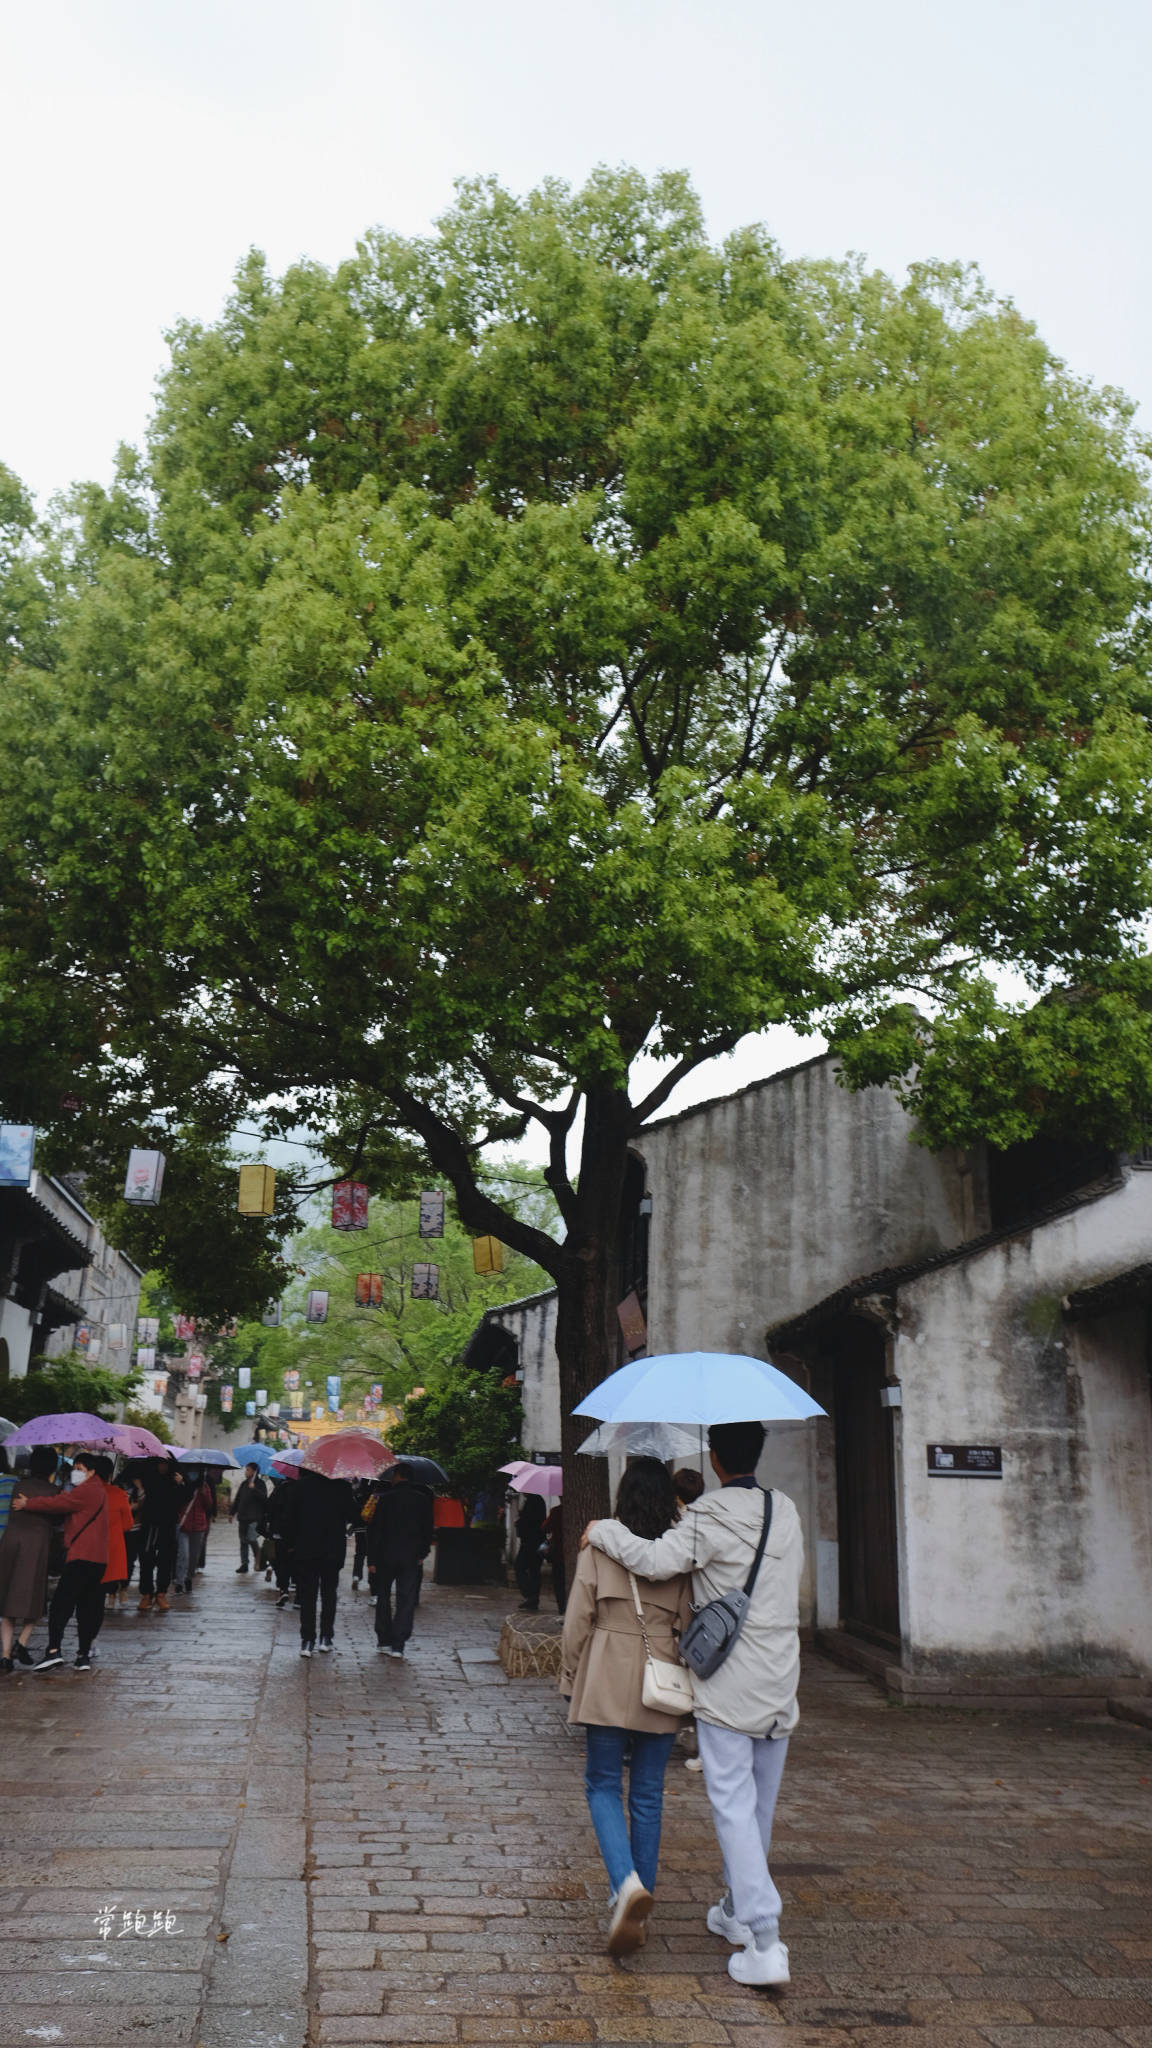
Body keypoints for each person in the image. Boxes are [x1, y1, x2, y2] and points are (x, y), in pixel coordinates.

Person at [586, 1420, 803, 1988]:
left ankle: (764, 1937)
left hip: (729, 1681)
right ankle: (735, 1910)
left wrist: (602, 1530)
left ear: (714, 1455)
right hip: (781, 1679)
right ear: (757, 1451)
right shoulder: (786, 1510)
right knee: (758, 1807)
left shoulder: (709, 1516)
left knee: (732, 1802)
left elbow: (654, 1560)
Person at [561, 1458, 693, 1957]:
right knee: (648, 1794)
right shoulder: (680, 1551)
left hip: (607, 1671)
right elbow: (685, 1620)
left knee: (600, 1783)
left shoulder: (599, 1544)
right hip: (661, 1670)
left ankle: (624, 1885)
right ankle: (639, 1902)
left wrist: (572, 1675)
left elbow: (579, 1616)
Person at [15, 1449, 111, 1671]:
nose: (76, 1473)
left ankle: (53, 1651)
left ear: (92, 1471)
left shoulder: (87, 1490)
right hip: (98, 1559)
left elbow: (58, 1503)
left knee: (60, 1606)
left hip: (81, 1557)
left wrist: (28, 1504)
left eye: (80, 1469)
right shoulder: (98, 1490)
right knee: (87, 1608)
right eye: (74, 1468)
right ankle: (83, 1656)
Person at [282, 1467, 353, 1656]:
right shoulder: (343, 1488)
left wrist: (290, 1544)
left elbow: (289, 1519)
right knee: (329, 1594)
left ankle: (307, 1640)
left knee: (308, 1596)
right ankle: (326, 1637)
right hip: (333, 1550)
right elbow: (354, 1516)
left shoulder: (301, 1487)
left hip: (306, 1549)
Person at [0, 1447, 60, 1671]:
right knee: (34, 1598)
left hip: (10, 1542)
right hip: (37, 1546)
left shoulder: (18, 1485)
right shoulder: (54, 1491)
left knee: (7, 1599)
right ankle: (21, 1642)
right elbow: (58, 1520)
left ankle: (5, 1655)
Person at [365, 1465, 435, 1659]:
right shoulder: (422, 1500)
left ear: (397, 1476)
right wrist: (423, 1553)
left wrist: (371, 1559)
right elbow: (427, 1529)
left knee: (383, 1597)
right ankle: (399, 1643)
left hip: (385, 1556)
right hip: (411, 1556)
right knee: (406, 1599)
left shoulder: (385, 1499)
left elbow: (375, 1531)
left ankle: (384, 1639)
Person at [137, 1456, 181, 1611]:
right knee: (146, 1560)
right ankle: (146, 1594)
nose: (163, 1467)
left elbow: (183, 1500)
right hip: (150, 1525)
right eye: (160, 1464)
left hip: (167, 1526)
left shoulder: (176, 1480)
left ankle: (161, 1593)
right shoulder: (149, 1479)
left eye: (165, 1464)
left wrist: (180, 1485)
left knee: (165, 1561)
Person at [91, 1455, 134, 1610]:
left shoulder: (84, 1492)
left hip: (89, 1546)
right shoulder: (119, 1494)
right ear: (110, 1474)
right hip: (112, 1545)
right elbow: (128, 1524)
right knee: (106, 1579)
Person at [175, 1466, 213, 1592]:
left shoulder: (204, 1486)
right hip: (184, 1524)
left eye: (196, 1472)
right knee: (183, 1554)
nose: (193, 1474)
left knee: (194, 1557)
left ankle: (188, 1578)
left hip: (198, 1526)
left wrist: (203, 1492)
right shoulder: (183, 1484)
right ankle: (179, 1581)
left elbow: (208, 1505)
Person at [230, 1463, 268, 1572]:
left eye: (248, 1470)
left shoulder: (260, 1484)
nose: (246, 1472)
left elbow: (264, 1499)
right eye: (246, 1470)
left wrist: (254, 1489)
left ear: (254, 1472)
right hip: (242, 1517)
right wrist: (232, 1513)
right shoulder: (244, 1484)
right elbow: (238, 1499)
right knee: (243, 1541)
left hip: (254, 1518)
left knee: (252, 1539)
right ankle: (244, 1564)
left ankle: (259, 1560)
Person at [514, 1491, 547, 1612]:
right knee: (534, 1571)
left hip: (531, 1542)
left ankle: (530, 1594)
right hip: (534, 1541)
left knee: (520, 1567)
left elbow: (529, 1522)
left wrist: (519, 1521)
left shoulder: (534, 1501)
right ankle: (533, 1599)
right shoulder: (535, 1500)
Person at [543, 1499, 566, 1612]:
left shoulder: (556, 1511)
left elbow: (545, 1527)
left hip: (559, 1552)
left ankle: (562, 1608)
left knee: (559, 1582)